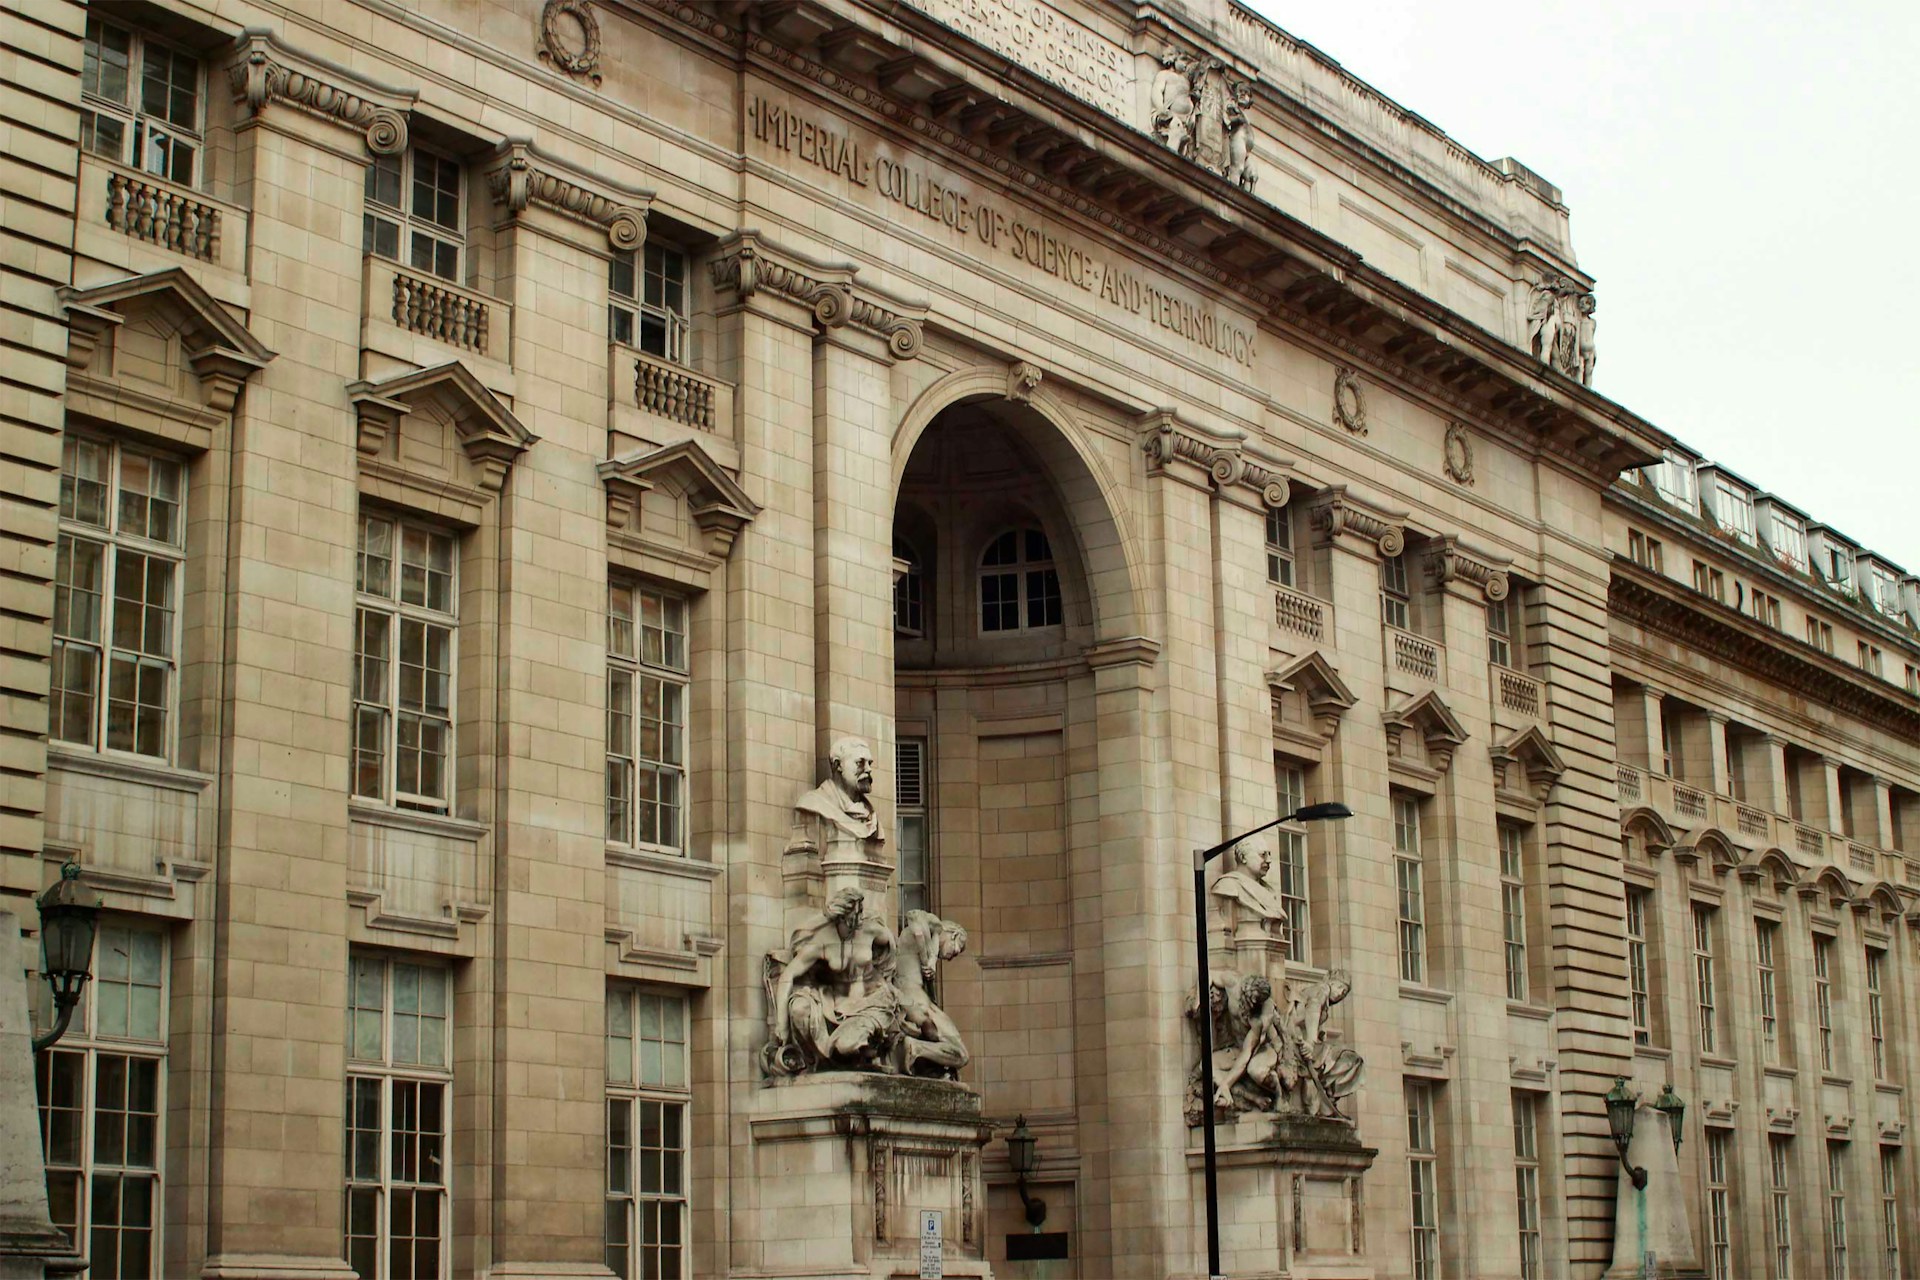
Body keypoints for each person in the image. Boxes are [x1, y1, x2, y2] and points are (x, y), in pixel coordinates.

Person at [764, 886, 899, 1074]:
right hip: (838, 1007)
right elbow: (788, 975)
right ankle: (820, 1061)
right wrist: (782, 1023)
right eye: (854, 915)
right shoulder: (821, 942)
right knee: (802, 1011)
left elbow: (893, 945)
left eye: (860, 913)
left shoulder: (870, 931)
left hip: (873, 1002)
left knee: (847, 1046)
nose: (859, 920)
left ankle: (862, 1056)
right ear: (841, 916)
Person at [893, 910, 970, 1077]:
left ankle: (919, 1050)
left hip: (916, 998)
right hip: (915, 1000)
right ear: (954, 935)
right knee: (961, 1054)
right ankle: (915, 1048)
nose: (950, 957)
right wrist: (930, 958)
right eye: (955, 950)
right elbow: (915, 920)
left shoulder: (927, 943)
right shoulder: (929, 928)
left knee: (960, 1053)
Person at [795, 736, 882, 841]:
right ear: (838, 765)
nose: (868, 769)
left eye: (869, 763)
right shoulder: (812, 804)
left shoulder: (872, 817)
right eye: (860, 763)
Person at [1211, 842, 1289, 943]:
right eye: (1262, 855)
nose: (1268, 860)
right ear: (1243, 857)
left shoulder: (1269, 891)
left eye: (1269, 855)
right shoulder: (1228, 885)